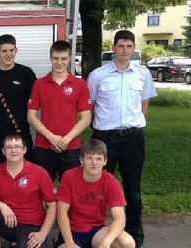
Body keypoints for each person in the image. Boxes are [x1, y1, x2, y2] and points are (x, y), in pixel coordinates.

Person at [87, 30, 157, 248]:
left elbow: (143, 105)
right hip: (105, 139)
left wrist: (131, 125)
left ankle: (135, 237)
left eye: (129, 46)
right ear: (114, 47)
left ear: (134, 48)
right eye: (120, 46)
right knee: (97, 187)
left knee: (133, 190)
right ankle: (92, 232)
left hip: (133, 138)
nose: (124, 50)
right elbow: (89, 107)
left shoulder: (143, 74)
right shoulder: (98, 75)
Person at [0, 133, 57, 248]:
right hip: (6, 221)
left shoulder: (39, 172)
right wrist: (2, 206)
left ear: (24, 150)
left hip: (31, 225)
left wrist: (43, 233)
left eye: (17, 146)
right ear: (3, 151)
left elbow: (52, 205)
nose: (13, 150)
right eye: (9, 147)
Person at [27, 40, 92, 180]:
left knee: (71, 188)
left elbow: (86, 118)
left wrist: (66, 139)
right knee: (42, 188)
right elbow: (31, 116)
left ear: (69, 58)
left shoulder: (80, 84)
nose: (59, 62)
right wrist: (51, 137)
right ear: (50, 58)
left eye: (63, 58)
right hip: (44, 145)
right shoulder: (39, 84)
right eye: (56, 58)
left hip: (71, 146)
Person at [55, 139, 136, 248]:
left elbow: (120, 218)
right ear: (82, 159)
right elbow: (61, 213)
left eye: (98, 159)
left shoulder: (111, 182)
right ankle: (59, 241)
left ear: (105, 161)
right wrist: (69, 244)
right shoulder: (69, 177)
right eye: (89, 158)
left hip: (97, 230)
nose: (94, 163)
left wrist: (106, 243)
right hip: (73, 230)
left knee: (128, 243)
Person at [0, 34, 36, 178]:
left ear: (16, 50)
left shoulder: (26, 74)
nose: (8, 54)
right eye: (4, 51)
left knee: (23, 178)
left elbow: (34, 105)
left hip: (19, 137)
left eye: (11, 50)